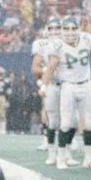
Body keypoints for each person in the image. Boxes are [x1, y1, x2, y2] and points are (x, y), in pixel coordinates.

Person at [41, 14, 91, 169]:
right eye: (66, 28)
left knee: (89, 123)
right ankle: (58, 156)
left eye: (73, 28)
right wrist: (44, 85)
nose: (70, 32)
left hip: (84, 83)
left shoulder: (86, 39)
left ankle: (88, 158)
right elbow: (50, 67)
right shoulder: (53, 45)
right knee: (62, 122)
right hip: (66, 85)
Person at [30, 16, 61, 159]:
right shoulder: (40, 44)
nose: (54, 31)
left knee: (68, 113)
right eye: (51, 28)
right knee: (47, 113)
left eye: (57, 27)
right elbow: (36, 67)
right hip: (49, 80)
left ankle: (68, 139)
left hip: (66, 80)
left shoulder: (66, 41)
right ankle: (46, 139)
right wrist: (46, 73)